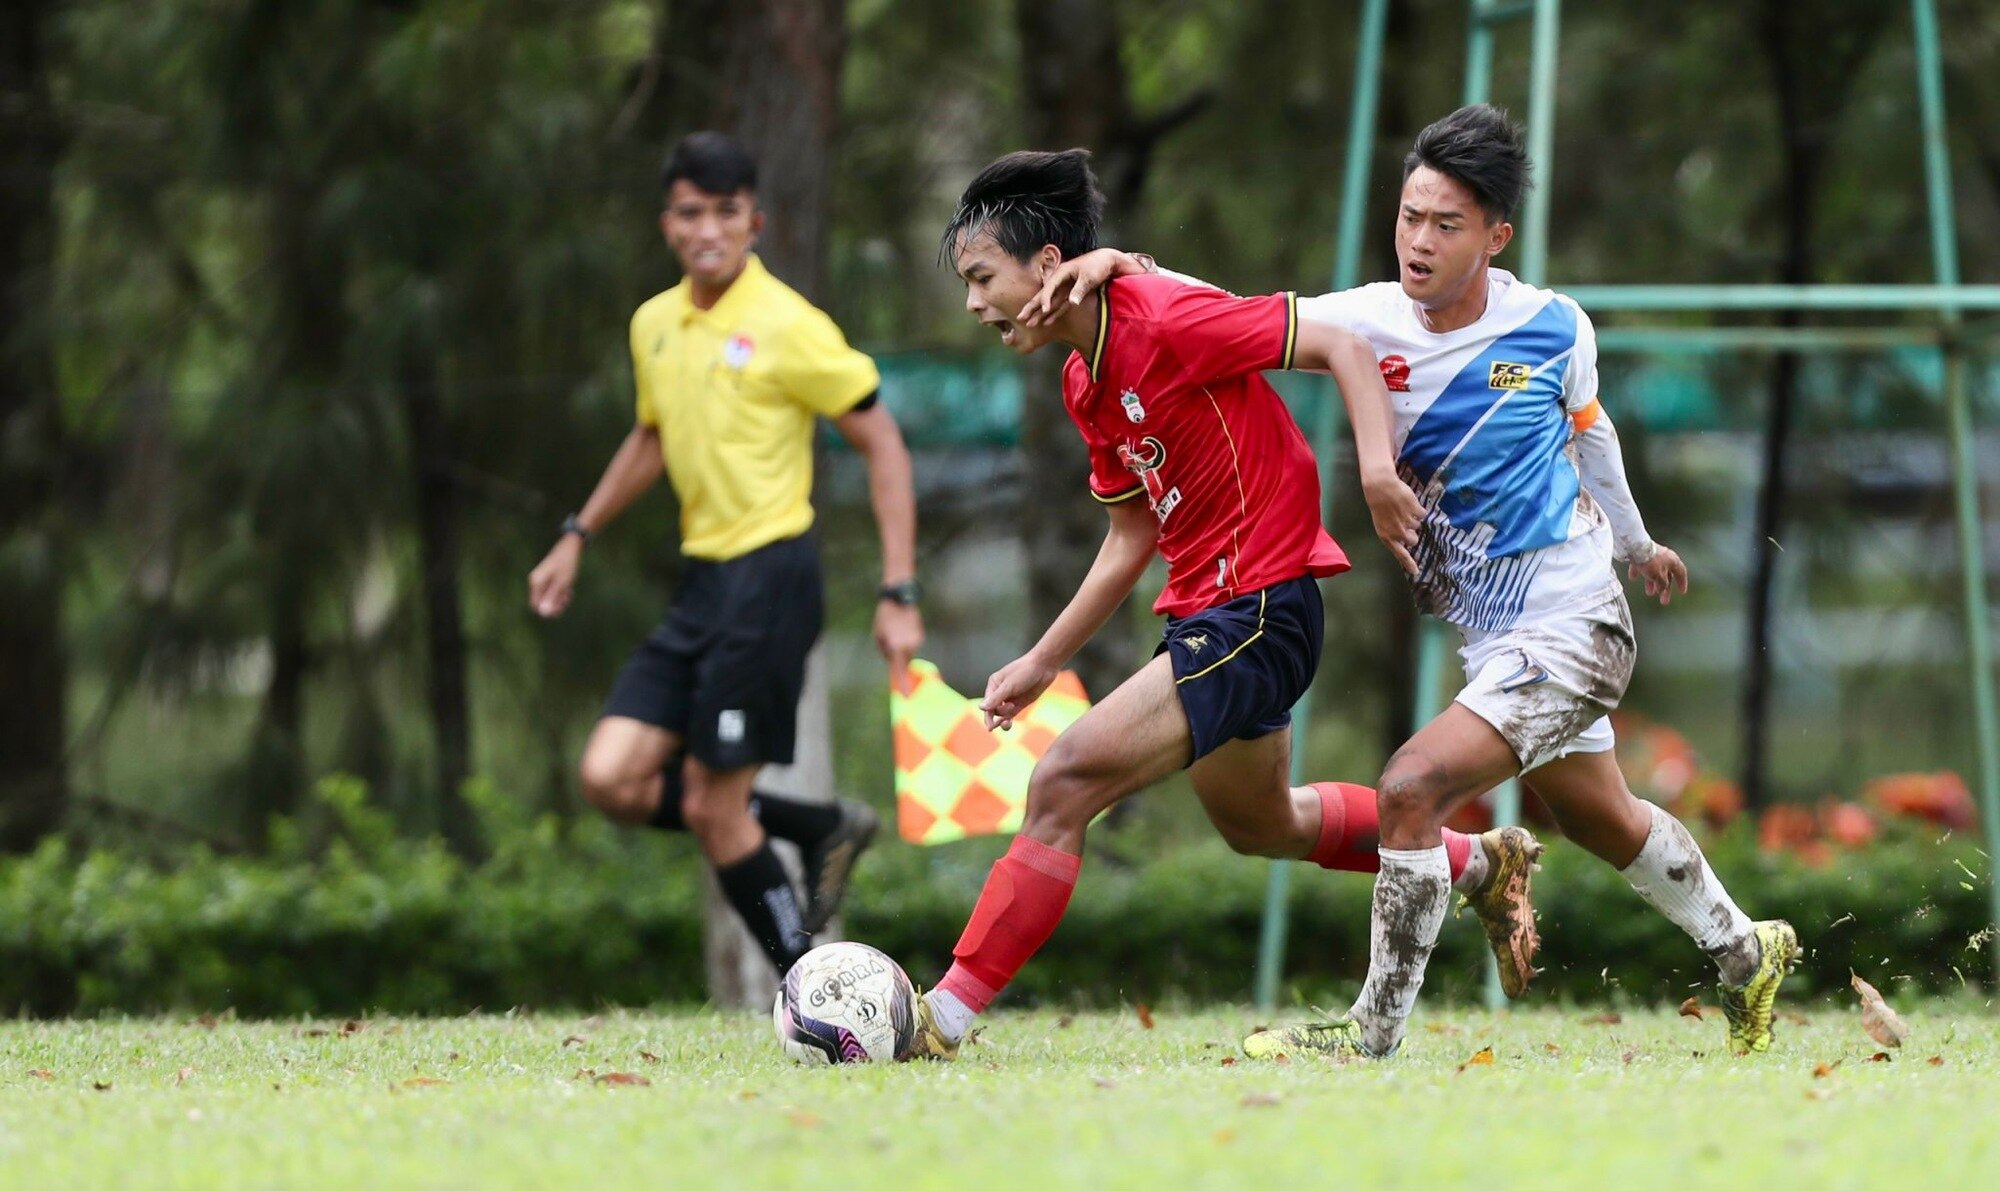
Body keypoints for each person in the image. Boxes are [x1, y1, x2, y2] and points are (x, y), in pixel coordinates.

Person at [1026, 105, 1799, 1058]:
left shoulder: (1553, 327)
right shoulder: (1367, 318)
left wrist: (1637, 546)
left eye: (1446, 224)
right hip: (1497, 641)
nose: (1418, 241)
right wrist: (1121, 262)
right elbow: (1214, 309)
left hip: (1575, 625)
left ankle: (1372, 1034)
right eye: (1408, 217)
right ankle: (1745, 949)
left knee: (1410, 787)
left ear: (1495, 236)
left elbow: (1591, 434)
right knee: (1607, 819)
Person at [902, 147, 1545, 1061]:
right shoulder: (1085, 381)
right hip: (1212, 613)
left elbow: (1342, 346)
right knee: (1262, 823)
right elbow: (1132, 535)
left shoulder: (1162, 318)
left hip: (1261, 607)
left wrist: (1370, 469)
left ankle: (945, 1016)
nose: (974, 303)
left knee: (1062, 783)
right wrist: (1044, 659)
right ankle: (1482, 863)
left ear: (1048, 267)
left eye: (982, 277)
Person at [527, 132, 924, 978]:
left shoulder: (790, 326)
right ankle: (815, 825)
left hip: (771, 578)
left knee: (715, 803)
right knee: (611, 777)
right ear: (667, 222)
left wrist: (898, 587)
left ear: (756, 221)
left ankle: (807, 985)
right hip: (702, 583)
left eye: (725, 212)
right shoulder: (654, 324)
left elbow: (883, 443)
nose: (707, 229)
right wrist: (576, 534)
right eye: (690, 212)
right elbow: (651, 434)